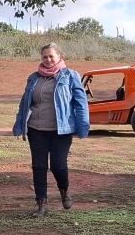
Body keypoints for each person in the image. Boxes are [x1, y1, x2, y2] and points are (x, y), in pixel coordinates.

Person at [13, 42, 90, 217]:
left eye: (51, 56)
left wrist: (83, 126)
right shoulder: (34, 78)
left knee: (58, 165)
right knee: (39, 166)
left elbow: (81, 103)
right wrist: (19, 125)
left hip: (61, 130)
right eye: (44, 57)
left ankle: (64, 190)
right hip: (36, 128)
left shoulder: (70, 76)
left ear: (59, 57)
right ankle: (41, 204)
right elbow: (25, 102)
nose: (47, 60)